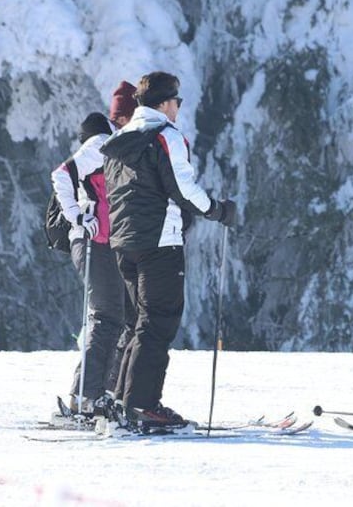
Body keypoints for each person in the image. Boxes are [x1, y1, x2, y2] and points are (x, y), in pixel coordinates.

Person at [100, 71, 236, 430]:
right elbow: (182, 188)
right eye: (177, 101)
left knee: (140, 323)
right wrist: (219, 210)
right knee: (158, 321)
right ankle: (142, 405)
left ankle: (120, 399)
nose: (178, 108)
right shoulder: (165, 136)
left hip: (123, 244)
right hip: (159, 242)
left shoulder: (121, 140)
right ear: (164, 103)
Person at [50, 80, 137, 416]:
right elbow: (61, 174)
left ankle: (98, 393)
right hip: (93, 242)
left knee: (119, 318)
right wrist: (76, 216)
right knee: (108, 318)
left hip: (103, 243)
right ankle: (87, 396)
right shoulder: (100, 144)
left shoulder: (109, 144)